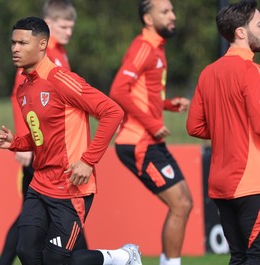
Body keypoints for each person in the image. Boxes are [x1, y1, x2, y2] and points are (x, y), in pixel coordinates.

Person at [0, 17, 142, 265]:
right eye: (13, 43)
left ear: (42, 44)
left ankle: (122, 257)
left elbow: (112, 112)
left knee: (57, 261)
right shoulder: (24, 88)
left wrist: (87, 161)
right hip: (39, 185)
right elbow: (42, 136)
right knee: (27, 251)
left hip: (70, 186)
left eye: (22, 42)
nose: (15, 49)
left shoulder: (61, 80)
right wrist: (15, 142)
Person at [0, 1, 86, 264]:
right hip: (40, 151)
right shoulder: (41, 57)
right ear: (48, 26)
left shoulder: (60, 55)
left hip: (56, 151)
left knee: (34, 221)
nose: (68, 31)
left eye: (71, 26)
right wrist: (24, 143)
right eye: (63, 25)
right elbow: (21, 97)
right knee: (33, 220)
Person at [109, 1, 193, 265]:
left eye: (172, 11)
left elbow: (142, 93)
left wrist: (168, 104)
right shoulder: (143, 47)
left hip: (149, 140)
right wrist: (152, 123)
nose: (173, 16)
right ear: (147, 18)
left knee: (185, 203)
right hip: (138, 142)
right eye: (165, 12)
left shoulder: (156, 48)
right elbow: (118, 91)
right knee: (180, 205)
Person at [187, 1, 260, 264]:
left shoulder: (208, 73)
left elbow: (193, 126)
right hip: (251, 182)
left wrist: (226, 129)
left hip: (220, 184)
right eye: (259, 25)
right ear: (241, 32)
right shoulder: (251, 70)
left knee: (239, 256)